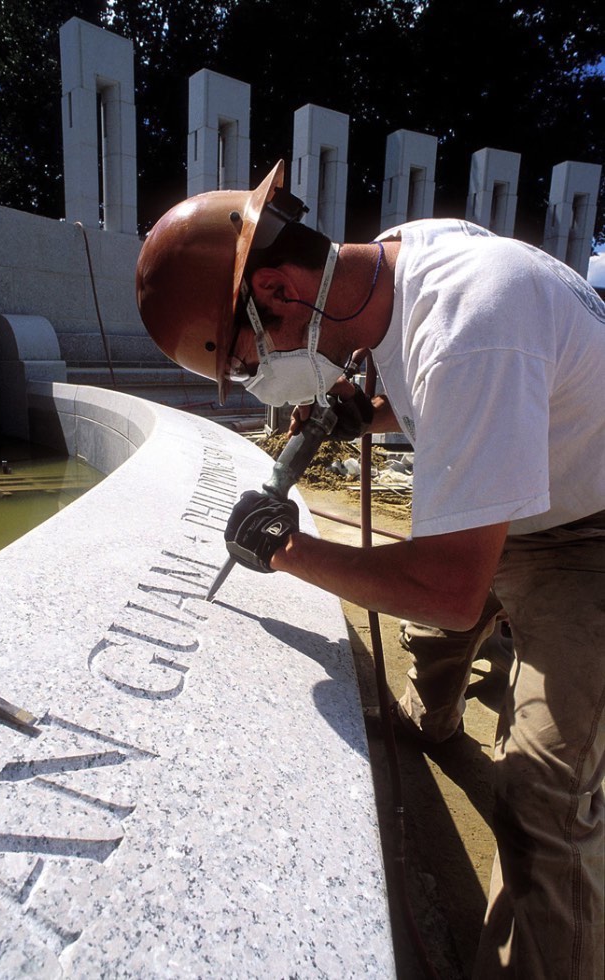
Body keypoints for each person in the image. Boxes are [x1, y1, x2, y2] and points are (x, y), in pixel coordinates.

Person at [136, 160, 605, 979]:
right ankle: (433, 718)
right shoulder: (398, 260)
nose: (260, 387)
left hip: (589, 535)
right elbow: (439, 382)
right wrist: (369, 408)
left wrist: (287, 547)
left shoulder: (468, 326)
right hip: (530, 479)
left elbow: (454, 590)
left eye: (250, 364)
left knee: (542, 800)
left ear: (279, 292)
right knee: (430, 654)